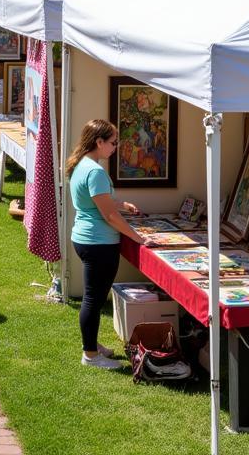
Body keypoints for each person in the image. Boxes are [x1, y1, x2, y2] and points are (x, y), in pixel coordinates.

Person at [67, 120, 147, 369]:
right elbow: (109, 216)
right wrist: (137, 237)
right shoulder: (95, 171)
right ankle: (90, 355)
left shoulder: (83, 165)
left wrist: (121, 204)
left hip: (87, 238)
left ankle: (92, 346)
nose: (116, 146)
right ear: (98, 142)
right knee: (93, 299)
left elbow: (97, 202)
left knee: (95, 297)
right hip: (98, 243)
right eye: (113, 142)